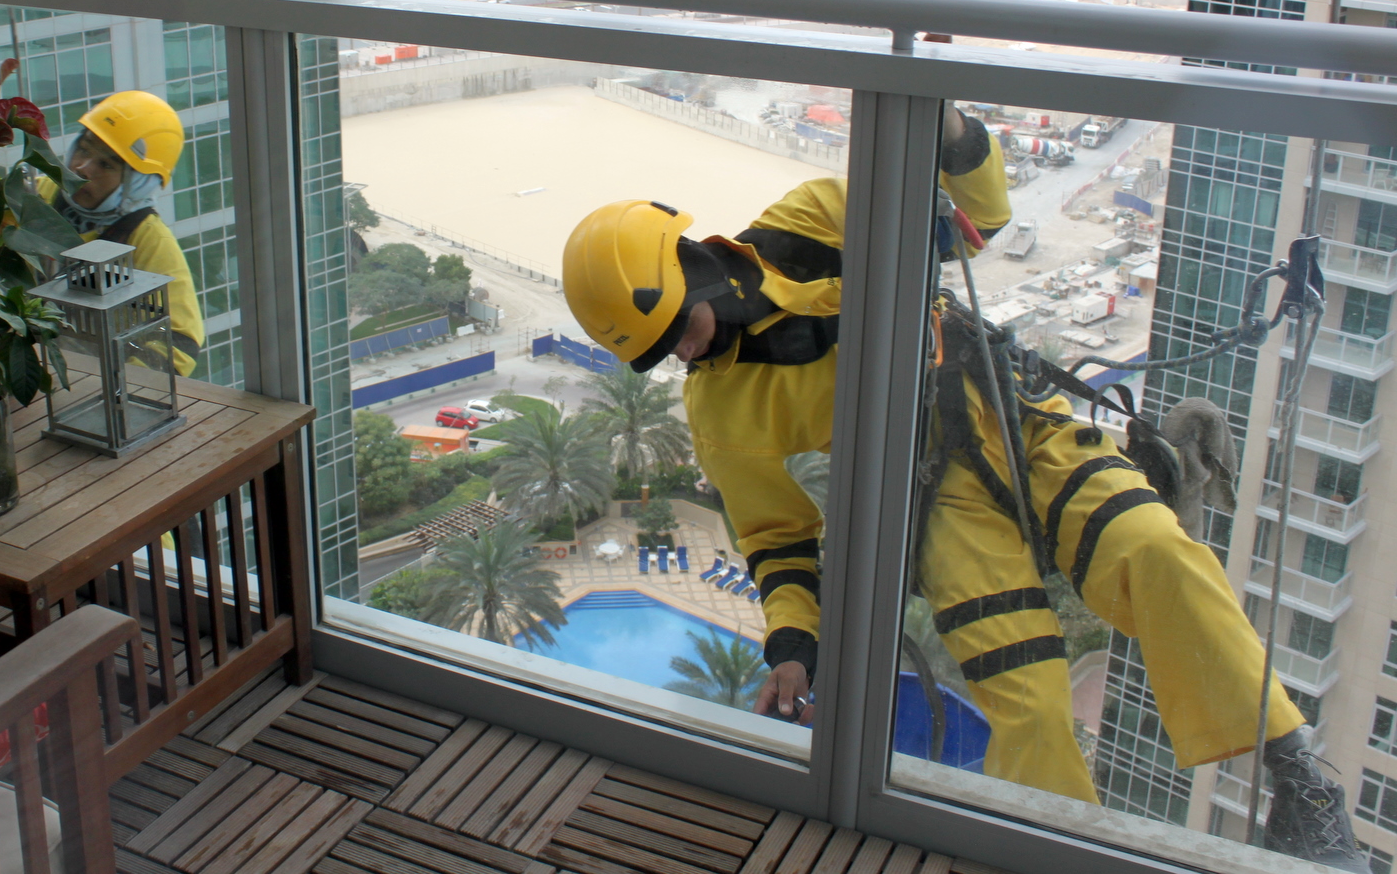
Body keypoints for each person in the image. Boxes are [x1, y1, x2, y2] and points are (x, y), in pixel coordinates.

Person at [562, 106, 1367, 872]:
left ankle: (1299, 777)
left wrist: (945, 131)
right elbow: (776, 539)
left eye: (678, 328)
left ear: (690, 268)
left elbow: (979, 219)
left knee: (1154, 547)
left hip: (1015, 420)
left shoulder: (807, 225)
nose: (681, 353)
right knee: (1029, 707)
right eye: (662, 349)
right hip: (935, 505)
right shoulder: (719, 407)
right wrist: (794, 648)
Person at [39, 91, 204, 376]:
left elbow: (181, 341)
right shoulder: (39, 196)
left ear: (137, 183)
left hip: (94, 384)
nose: (82, 168)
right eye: (84, 149)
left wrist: (118, 384)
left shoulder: (146, 238)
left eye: (106, 165)